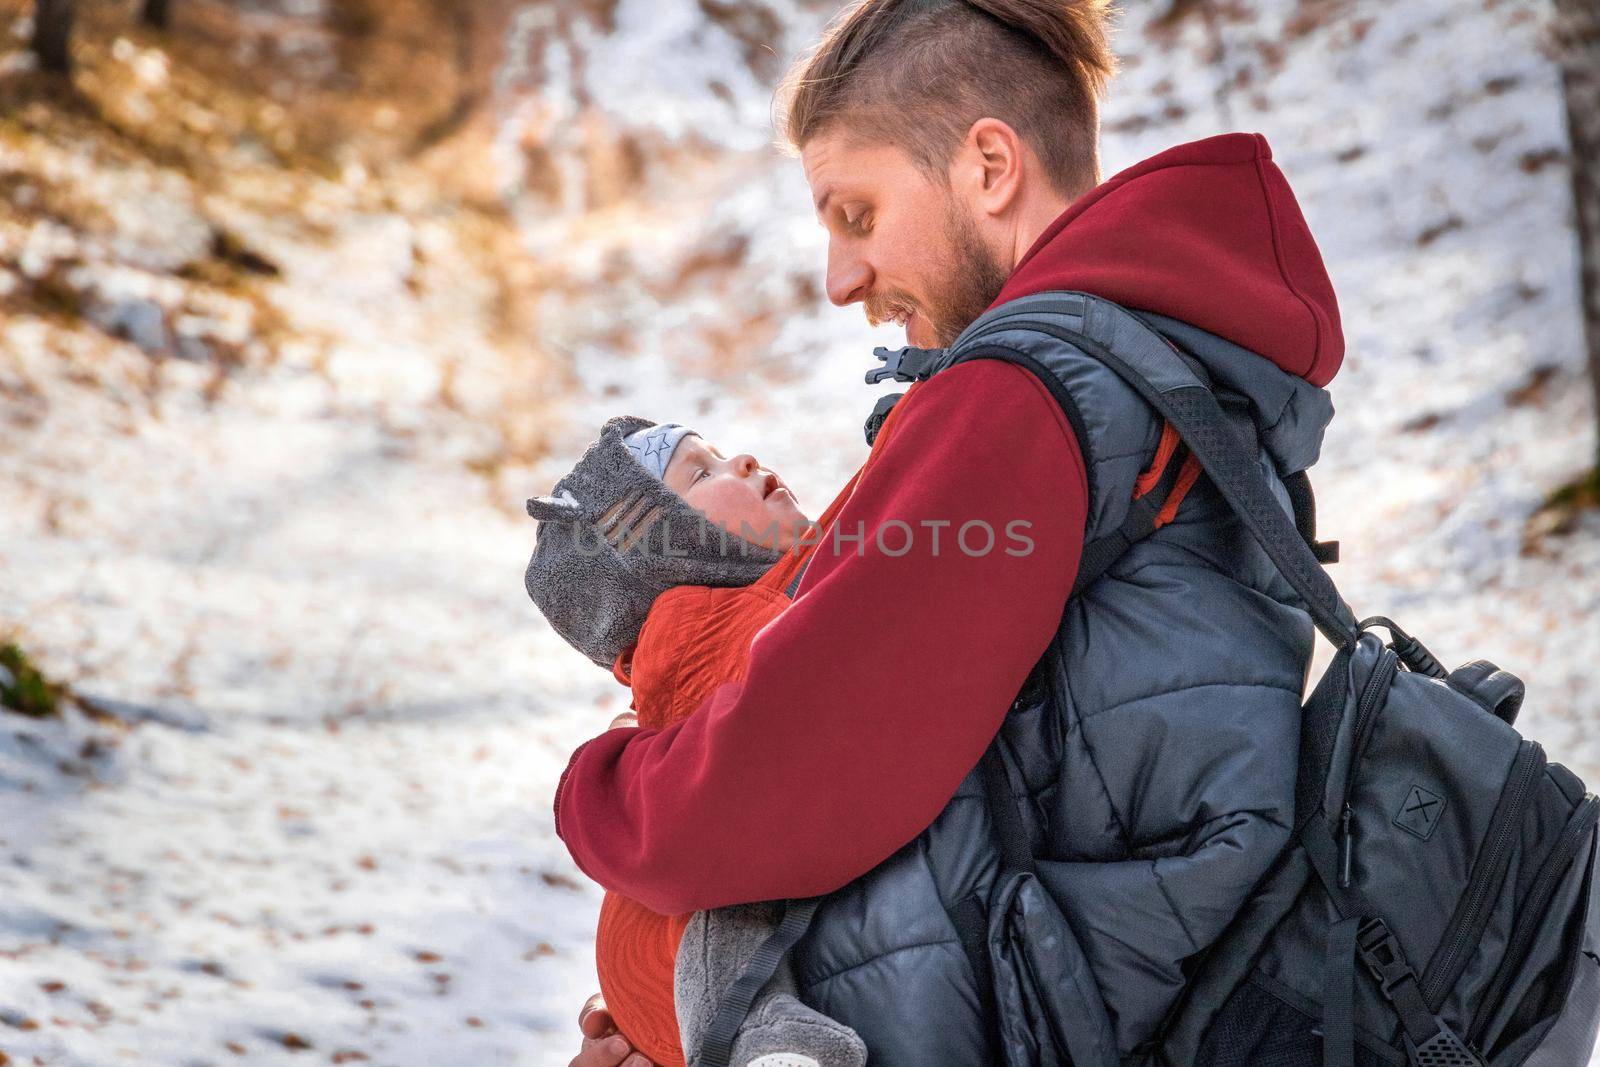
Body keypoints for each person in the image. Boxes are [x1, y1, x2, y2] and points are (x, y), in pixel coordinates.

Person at [558, 0, 1346, 1063]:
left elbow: (775, 779)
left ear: (986, 166)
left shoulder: (1021, 397)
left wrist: (597, 790)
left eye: (858, 214)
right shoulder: (1152, 360)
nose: (841, 281)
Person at [527, 416, 890, 1067]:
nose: (744, 460)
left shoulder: (748, 599)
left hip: (660, 975)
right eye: (702, 471)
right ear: (659, 544)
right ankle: (776, 1045)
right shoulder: (686, 617)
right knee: (729, 904)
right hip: (668, 957)